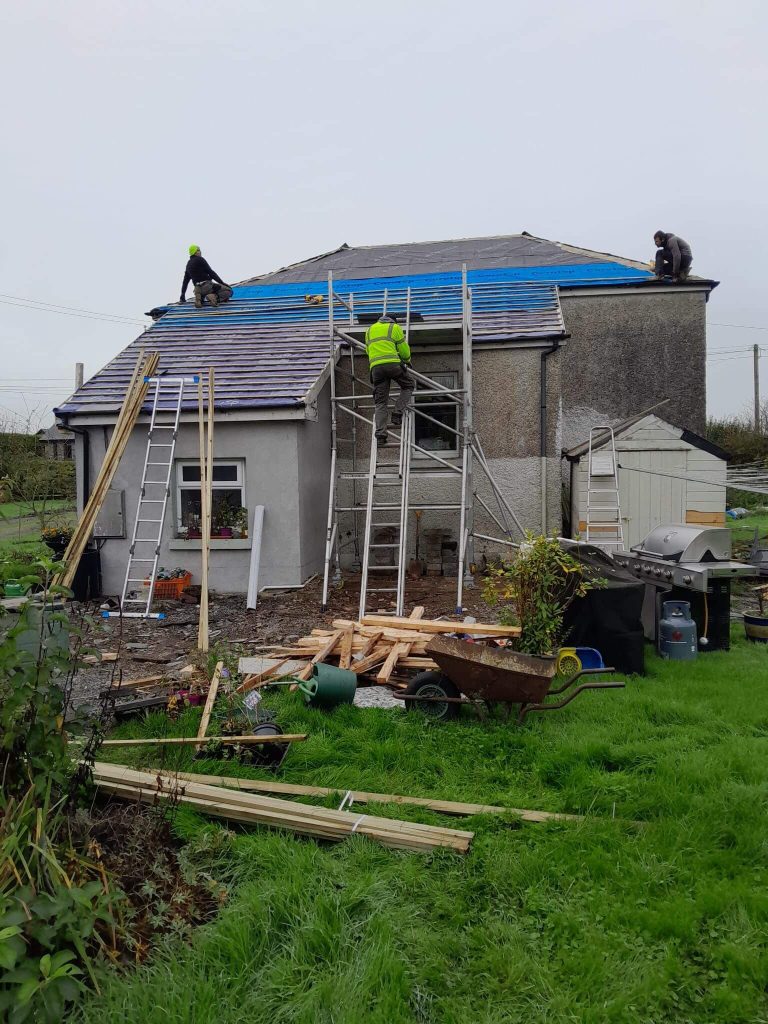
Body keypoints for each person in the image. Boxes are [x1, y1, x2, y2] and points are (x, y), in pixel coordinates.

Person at [364, 315, 415, 446]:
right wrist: (407, 360)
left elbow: (367, 350)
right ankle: (397, 413)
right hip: (393, 365)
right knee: (409, 385)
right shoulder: (395, 327)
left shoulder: (369, 330)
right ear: (393, 321)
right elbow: (404, 351)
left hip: (376, 368)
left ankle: (380, 435)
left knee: (380, 402)